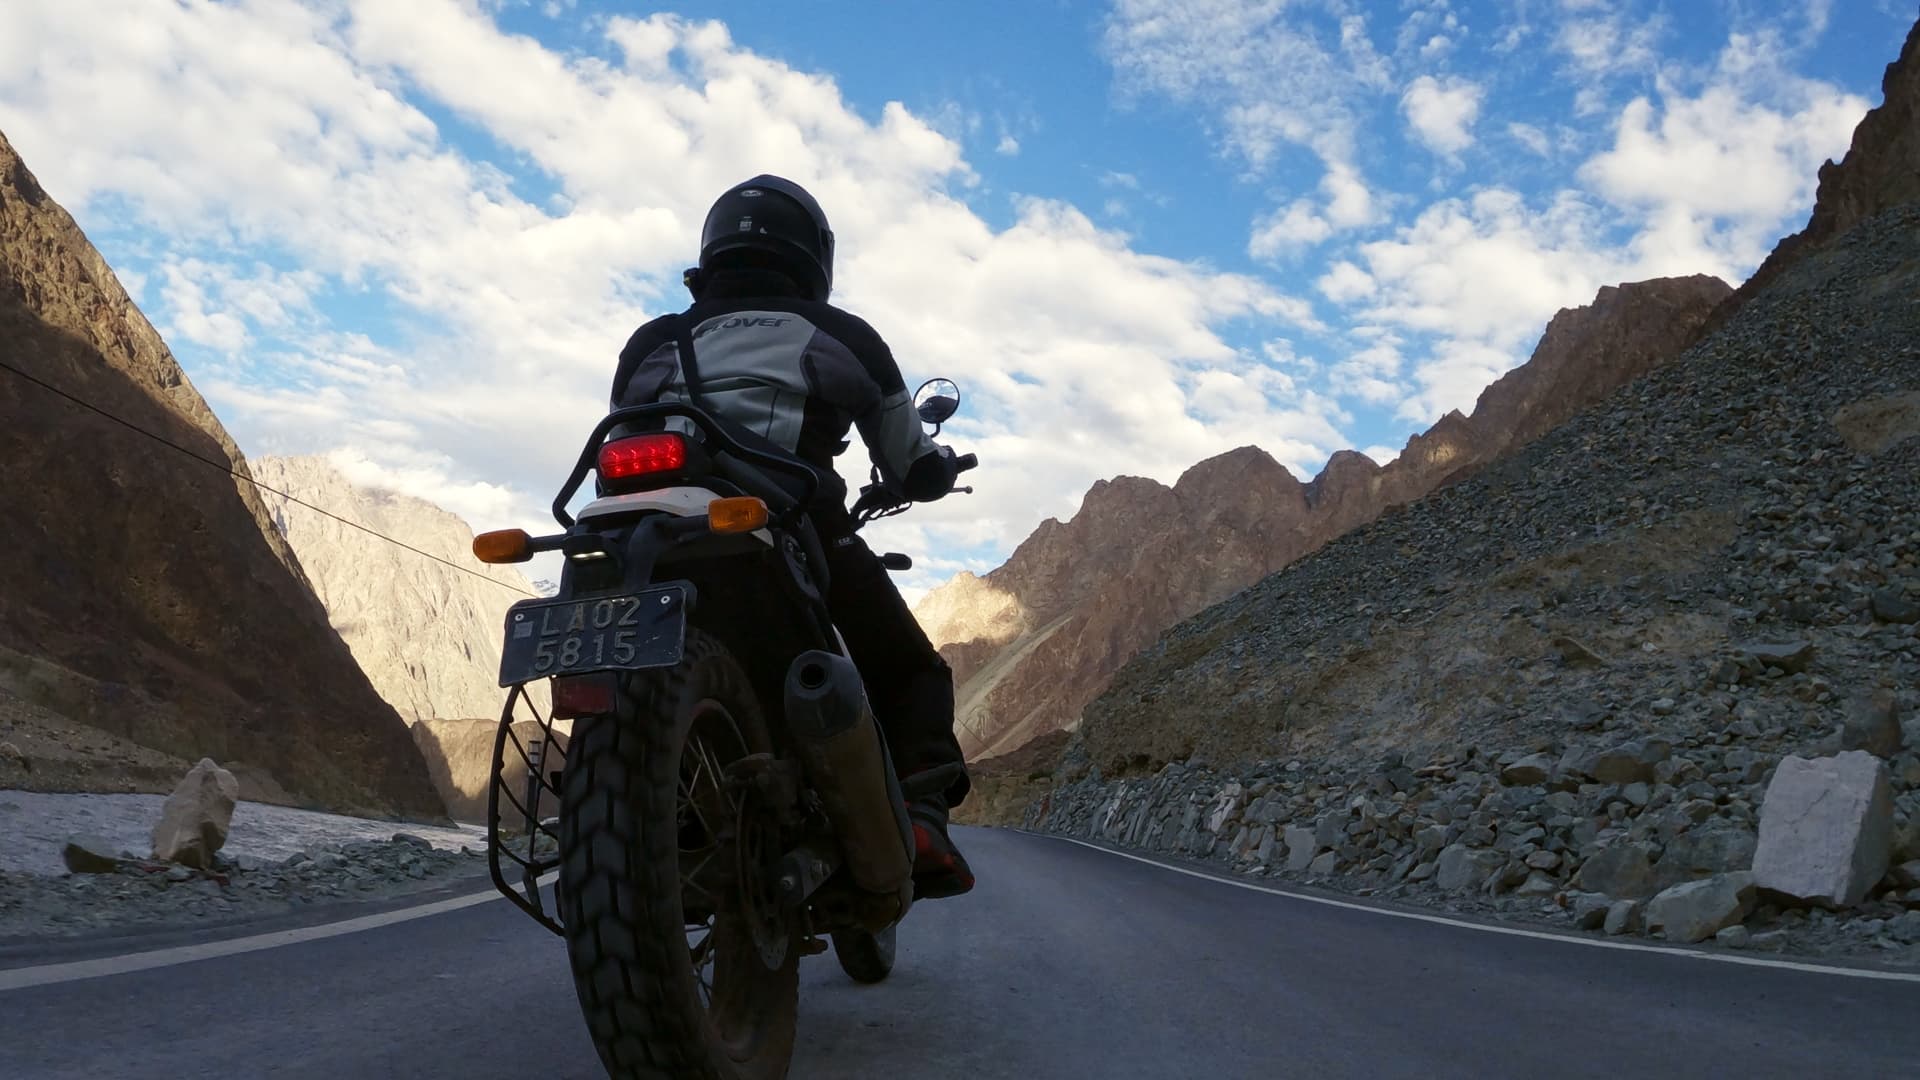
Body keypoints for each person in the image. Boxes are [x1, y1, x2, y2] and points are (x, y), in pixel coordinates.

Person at [609, 175, 975, 900]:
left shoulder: (653, 341)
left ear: (714, 250)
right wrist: (930, 474)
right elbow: (909, 459)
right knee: (908, 669)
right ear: (813, 255)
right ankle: (924, 817)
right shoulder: (839, 335)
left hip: (641, 529)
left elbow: (624, 428)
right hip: (784, 515)